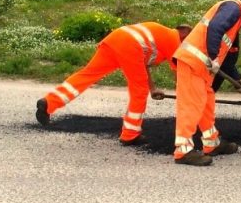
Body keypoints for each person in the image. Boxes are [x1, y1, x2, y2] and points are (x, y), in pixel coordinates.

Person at [35, 22, 192, 146]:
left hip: (114, 40)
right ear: (184, 34)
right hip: (130, 47)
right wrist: (191, 97)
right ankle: (130, 135)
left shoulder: (160, 34)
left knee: (87, 74)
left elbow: (143, 65)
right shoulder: (173, 40)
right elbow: (180, 72)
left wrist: (153, 88)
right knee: (139, 90)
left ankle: (48, 102)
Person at [172, 0, 241, 166]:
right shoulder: (234, 8)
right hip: (193, 62)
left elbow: (229, 56)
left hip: (203, 68)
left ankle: (212, 143)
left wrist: (237, 79)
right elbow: (215, 28)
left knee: (206, 103)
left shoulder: (236, 19)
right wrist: (214, 56)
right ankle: (183, 151)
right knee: (192, 105)